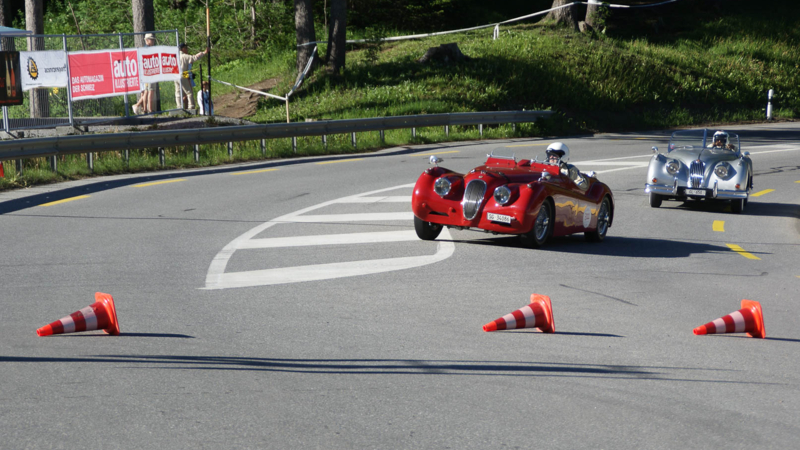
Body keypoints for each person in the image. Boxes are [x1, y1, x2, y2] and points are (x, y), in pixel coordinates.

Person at [175, 42, 209, 111]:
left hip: (175, 75)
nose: (187, 50)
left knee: (178, 92)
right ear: (183, 49)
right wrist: (204, 52)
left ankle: (179, 107)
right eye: (186, 48)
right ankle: (191, 106)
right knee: (188, 91)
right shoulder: (184, 56)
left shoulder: (174, 56)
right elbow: (194, 58)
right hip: (183, 74)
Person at [132, 33, 157, 115]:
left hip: (147, 73)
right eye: (151, 39)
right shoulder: (147, 50)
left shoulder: (147, 49)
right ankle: (149, 109)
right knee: (150, 91)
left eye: (153, 39)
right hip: (148, 73)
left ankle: (145, 109)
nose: (152, 41)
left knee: (146, 91)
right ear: (146, 40)